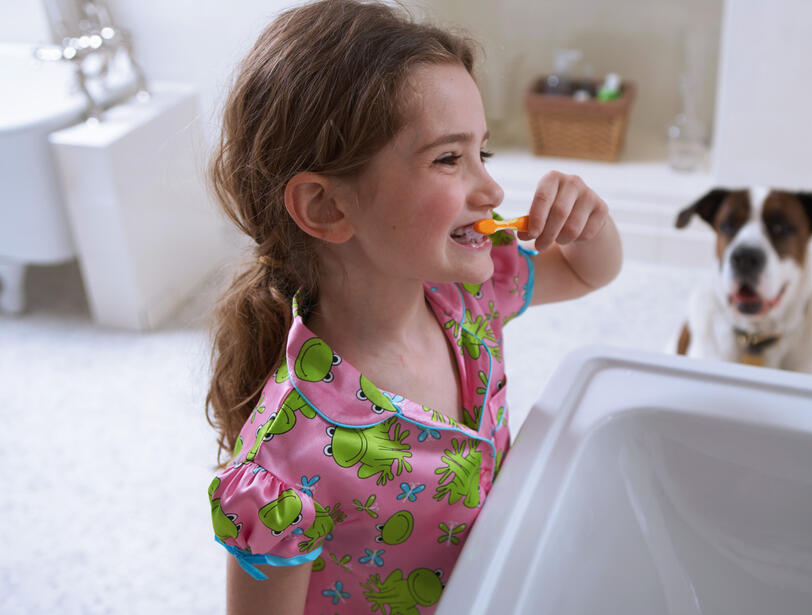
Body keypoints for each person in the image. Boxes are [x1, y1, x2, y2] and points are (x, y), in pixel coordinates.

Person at [203, 1, 622, 613]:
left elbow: (589, 271)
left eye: (485, 153)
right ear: (326, 207)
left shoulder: (466, 293)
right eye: (449, 159)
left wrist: (591, 220)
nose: (493, 189)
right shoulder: (287, 459)